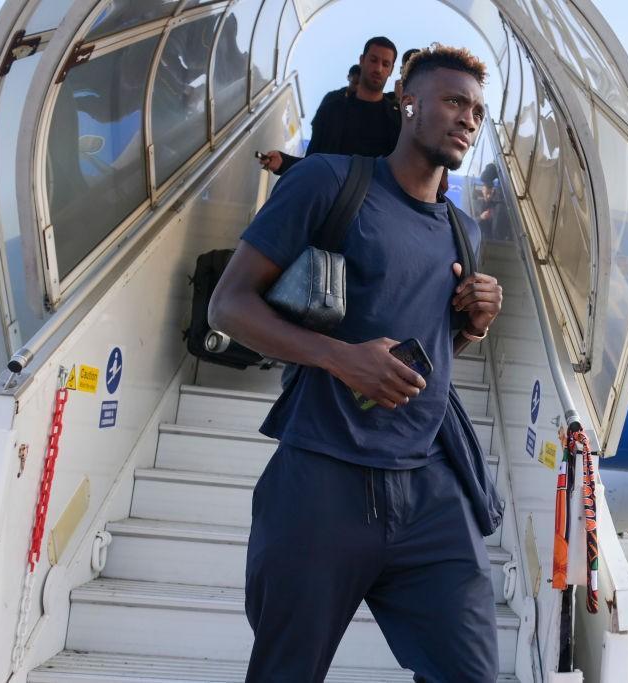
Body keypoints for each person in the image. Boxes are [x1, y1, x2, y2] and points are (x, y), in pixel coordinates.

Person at [209, 44, 503, 682]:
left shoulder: (463, 230)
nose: (468, 119)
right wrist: (341, 360)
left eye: (477, 110)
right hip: (323, 478)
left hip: (430, 489)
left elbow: (430, 355)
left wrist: (471, 329)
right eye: (454, 101)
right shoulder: (329, 181)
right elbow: (227, 305)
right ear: (408, 102)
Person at [258, 37, 401, 176]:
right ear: (362, 60)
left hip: (376, 197)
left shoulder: (397, 117)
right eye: (373, 60)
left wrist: (408, 101)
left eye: (386, 64)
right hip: (328, 195)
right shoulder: (331, 111)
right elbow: (312, 162)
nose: (378, 68)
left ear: (391, 70)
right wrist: (284, 162)